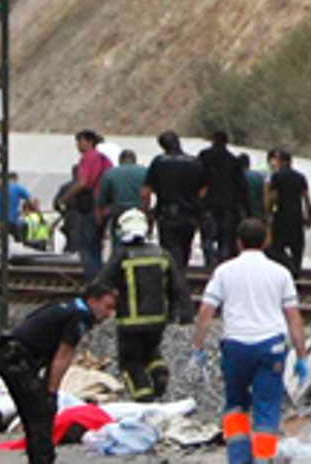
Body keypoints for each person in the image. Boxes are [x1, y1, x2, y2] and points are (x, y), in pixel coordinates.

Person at [192, 218, 310, 464]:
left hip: (235, 346)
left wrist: (198, 346)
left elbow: (206, 310)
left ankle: (238, 458)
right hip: (271, 346)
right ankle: (262, 458)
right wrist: (301, 355)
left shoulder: (224, 271)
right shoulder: (280, 273)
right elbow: (294, 317)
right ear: (266, 240)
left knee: (235, 405)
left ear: (238, 242)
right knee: (266, 408)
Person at [0, 284, 118, 464]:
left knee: (33, 412)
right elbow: (63, 355)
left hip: (11, 354)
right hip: (17, 359)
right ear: (93, 300)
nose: (108, 314)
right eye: (107, 307)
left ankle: (38, 458)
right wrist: (52, 392)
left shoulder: (69, 307)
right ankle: (43, 460)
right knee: (41, 412)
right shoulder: (81, 315)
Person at [99, 209, 190, 402]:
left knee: (131, 362)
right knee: (151, 350)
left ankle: (143, 399)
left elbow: (102, 283)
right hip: (158, 320)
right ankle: (159, 372)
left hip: (129, 322)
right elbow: (178, 286)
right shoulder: (161, 253)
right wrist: (180, 313)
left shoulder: (122, 255)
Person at [143, 131, 205, 273]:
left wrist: (147, 212)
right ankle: (181, 274)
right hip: (190, 213)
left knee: (169, 250)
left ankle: (174, 280)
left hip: (166, 213)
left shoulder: (159, 162)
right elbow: (203, 190)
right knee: (185, 247)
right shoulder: (195, 162)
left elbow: (146, 190)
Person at [199, 132, 249, 267]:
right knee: (225, 239)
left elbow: (197, 179)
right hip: (228, 205)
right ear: (226, 142)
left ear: (213, 140)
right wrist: (246, 210)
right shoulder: (233, 161)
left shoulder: (204, 156)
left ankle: (210, 264)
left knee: (208, 238)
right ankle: (223, 264)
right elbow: (242, 187)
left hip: (208, 204)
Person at [265, 149, 311, 276]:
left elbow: (273, 196)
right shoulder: (300, 177)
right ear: (291, 162)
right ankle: (296, 269)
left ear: (280, 161)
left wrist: (268, 213)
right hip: (296, 216)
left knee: (277, 247)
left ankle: (284, 268)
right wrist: (309, 216)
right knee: (297, 247)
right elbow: (306, 198)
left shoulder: (277, 176)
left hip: (281, 215)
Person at [70, 131, 112, 277]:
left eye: (79, 141)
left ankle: (93, 281)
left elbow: (83, 182)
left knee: (87, 247)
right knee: (96, 246)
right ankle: (101, 278)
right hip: (104, 207)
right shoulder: (104, 159)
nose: (77, 145)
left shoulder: (87, 158)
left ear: (88, 142)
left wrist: (65, 197)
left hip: (90, 207)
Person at [0, 171, 33, 241]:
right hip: (12, 221)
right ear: (15, 179)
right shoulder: (18, 187)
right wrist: (26, 210)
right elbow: (31, 201)